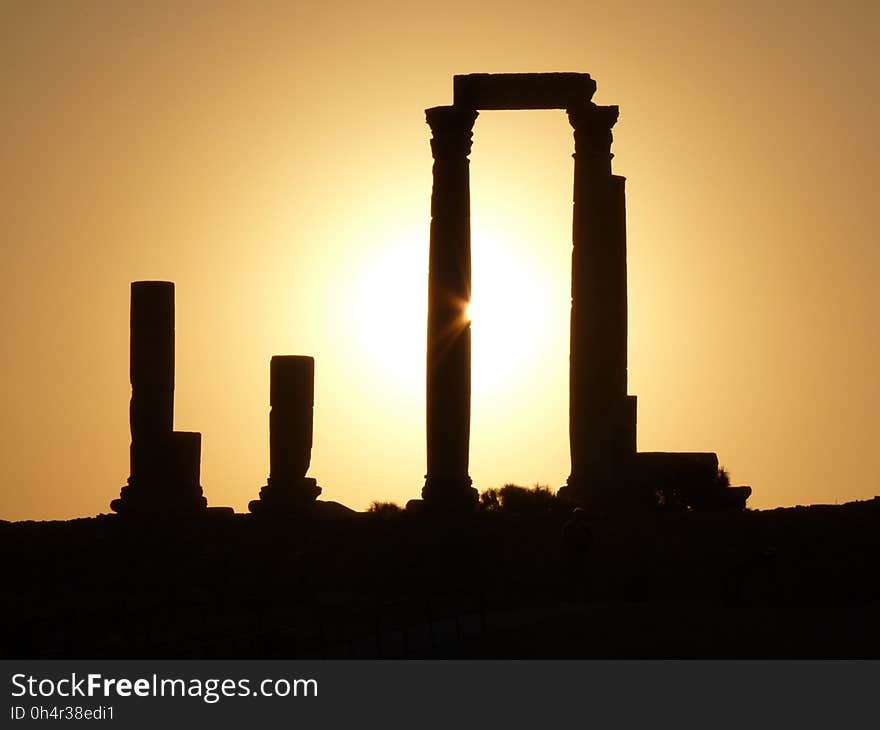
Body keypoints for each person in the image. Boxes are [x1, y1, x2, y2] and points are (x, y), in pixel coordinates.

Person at [562, 507, 593, 602]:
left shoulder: (571, 526)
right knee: (577, 573)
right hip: (576, 553)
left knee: (576, 573)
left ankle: (574, 594)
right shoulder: (582, 527)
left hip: (576, 553)